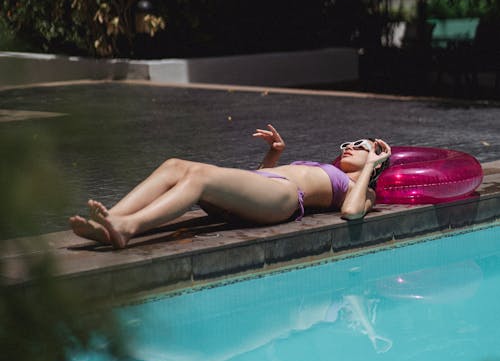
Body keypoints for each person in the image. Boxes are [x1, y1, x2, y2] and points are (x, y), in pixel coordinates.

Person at [70, 124, 391, 249]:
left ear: (374, 164)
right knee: (174, 165)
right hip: (267, 189)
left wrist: (373, 167)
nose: (350, 146)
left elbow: (351, 213)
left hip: (286, 198)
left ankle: (129, 228)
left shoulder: (364, 191)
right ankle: (110, 221)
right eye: (348, 142)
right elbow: (250, 188)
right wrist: (275, 154)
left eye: (362, 147)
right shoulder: (326, 167)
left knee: (198, 178)